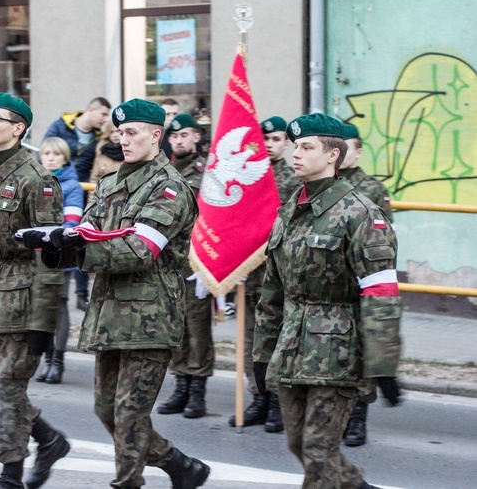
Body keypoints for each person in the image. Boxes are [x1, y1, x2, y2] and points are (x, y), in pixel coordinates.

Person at [26, 99, 210, 488]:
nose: (122, 139)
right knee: (106, 410)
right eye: (119, 132)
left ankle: (128, 483)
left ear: (156, 136)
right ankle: (179, 465)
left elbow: (141, 250)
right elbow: (86, 232)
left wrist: (80, 249)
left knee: (129, 415)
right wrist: (55, 242)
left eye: (132, 133)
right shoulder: (110, 183)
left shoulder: (171, 188)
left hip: (150, 315)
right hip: (110, 312)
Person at [253, 113, 402, 489]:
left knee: (318, 452)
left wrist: (383, 363)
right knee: (299, 443)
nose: (295, 154)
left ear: (333, 155)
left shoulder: (361, 214)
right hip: (292, 346)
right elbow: (272, 293)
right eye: (294, 146)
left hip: (338, 350)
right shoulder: (289, 212)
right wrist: (262, 353)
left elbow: (381, 292)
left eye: (306, 147)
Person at [0, 92, 70, 489]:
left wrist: (44, 321)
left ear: (18, 128)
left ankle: (11, 475)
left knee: (6, 390)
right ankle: (48, 439)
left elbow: (51, 251)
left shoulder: (37, 181)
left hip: (24, 300)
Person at [228, 115, 302, 432]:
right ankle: (258, 396)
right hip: (249, 271)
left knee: (276, 338)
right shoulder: (247, 176)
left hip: (278, 273)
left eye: (276, 140)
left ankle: (276, 401)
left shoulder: (295, 179)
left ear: (286, 144)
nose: (270, 145)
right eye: (265, 140)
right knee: (250, 339)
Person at [156, 113, 215, 419]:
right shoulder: (161, 169)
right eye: (174, 136)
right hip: (167, 261)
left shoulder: (207, 172)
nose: (178, 140)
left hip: (195, 260)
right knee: (173, 326)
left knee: (197, 327)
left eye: (185, 135)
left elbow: (215, 217)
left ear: (197, 138)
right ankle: (180, 385)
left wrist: (209, 260)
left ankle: (197, 391)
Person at [340, 122, 395, 447]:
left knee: (362, 350)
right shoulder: (322, 186)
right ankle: (338, 412)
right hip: (331, 287)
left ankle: (358, 416)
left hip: (362, 283)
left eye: (350, 147)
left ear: (358, 151)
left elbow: (384, 239)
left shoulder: (371, 189)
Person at [43, 96, 111, 311]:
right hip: (60, 186)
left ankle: (81, 293)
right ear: (91, 109)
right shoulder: (62, 126)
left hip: (81, 190)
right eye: (103, 114)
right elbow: (45, 150)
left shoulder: (98, 137)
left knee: (79, 241)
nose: (104, 119)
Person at [34, 137, 83, 385]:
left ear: (65, 158)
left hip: (58, 254)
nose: (50, 158)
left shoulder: (72, 185)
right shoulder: (31, 181)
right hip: (33, 255)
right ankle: (47, 358)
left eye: (56, 154)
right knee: (40, 309)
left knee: (59, 307)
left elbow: (72, 222)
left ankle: (58, 363)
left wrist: (46, 235)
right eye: (46, 153)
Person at [88, 122, 124, 200]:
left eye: (118, 131)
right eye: (111, 132)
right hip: (103, 198)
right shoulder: (101, 154)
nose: (115, 135)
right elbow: (94, 180)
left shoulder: (130, 153)